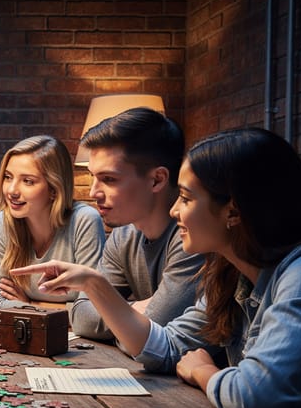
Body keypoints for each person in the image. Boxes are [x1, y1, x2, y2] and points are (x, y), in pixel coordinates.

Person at [12, 128, 301, 408]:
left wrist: (204, 372)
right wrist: (93, 283)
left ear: (233, 211)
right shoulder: (229, 273)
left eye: (185, 198)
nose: (174, 210)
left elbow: (255, 396)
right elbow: (167, 348)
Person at [70, 107, 205, 342]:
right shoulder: (123, 234)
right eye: (93, 177)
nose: (93, 192)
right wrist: (137, 311)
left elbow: (150, 341)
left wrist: (123, 314)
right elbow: (81, 317)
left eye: (109, 179)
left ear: (157, 179)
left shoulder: (194, 236)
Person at [0, 135, 105, 322]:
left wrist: (32, 305)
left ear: (54, 189)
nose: (11, 191)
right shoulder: (0, 223)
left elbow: (91, 313)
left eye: (28, 181)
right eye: (8, 177)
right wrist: (60, 311)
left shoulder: (84, 220)